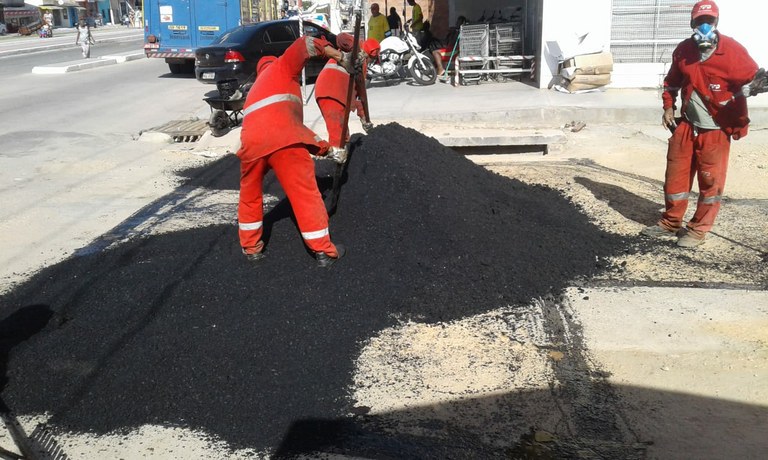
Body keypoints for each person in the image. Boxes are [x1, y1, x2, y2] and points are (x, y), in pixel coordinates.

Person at [641, 0, 761, 248]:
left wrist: (757, 85)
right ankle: (671, 222)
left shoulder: (732, 51)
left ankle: (698, 229)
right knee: (675, 177)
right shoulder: (684, 50)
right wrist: (668, 106)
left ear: (716, 22)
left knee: (710, 181)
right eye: (699, 21)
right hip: (687, 124)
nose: (704, 26)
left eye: (709, 21)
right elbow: (672, 82)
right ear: (692, 23)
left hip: (715, 129)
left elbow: (755, 77)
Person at [237, 35, 362, 267]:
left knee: (249, 195)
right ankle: (323, 251)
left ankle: (251, 248)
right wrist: (340, 57)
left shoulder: (254, 91)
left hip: (250, 146)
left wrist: (324, 149)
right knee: (304, 193)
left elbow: (281, 127)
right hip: (283, 142)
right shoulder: (282, 67)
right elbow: (305, 44)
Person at [315, 35, 379, 151]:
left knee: (343, 131)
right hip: (331, 91)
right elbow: (341, 37)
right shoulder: (355, 52)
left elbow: (359, 95)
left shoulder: (360, 64)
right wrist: (355, 48)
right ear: (371, 55)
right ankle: (338, 156)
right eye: (373, 60)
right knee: (337, 131)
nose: (372, 62)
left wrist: (363, 117)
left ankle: (343, 152)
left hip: (336, 92)